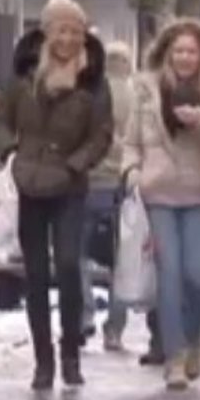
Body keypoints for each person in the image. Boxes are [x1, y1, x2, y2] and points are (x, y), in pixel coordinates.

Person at [0, 0, 114, 391]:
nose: (69, 39)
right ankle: (42, 360)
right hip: (28, 183)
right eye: (62, 30)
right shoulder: (23, 76)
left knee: (67, 264)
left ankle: (71, 353)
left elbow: (102, 134)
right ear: (47, 32)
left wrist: (76, 163)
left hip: (69, 185)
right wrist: (11, 153)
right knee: (36, 274)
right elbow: (0, 121)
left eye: (77, 31)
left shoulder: (93, 80)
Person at [122, 17, 200, 391]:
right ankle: (173, 355)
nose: (185, 58)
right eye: (179, 51)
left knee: (199, 276)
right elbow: (130, 141)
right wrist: (132, 174)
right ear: (167, 54)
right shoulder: (146, 90)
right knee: (169, 273)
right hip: (158, 194)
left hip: (199, 194)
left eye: (192, 51)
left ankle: (194, 340)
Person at [88, 40, 134, 353]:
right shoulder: (137, 96)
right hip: (125, 184)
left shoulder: (92, 94)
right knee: (122, 260)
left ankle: (83, 312)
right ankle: (115, 327)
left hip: (90, 182)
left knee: (79, 253)